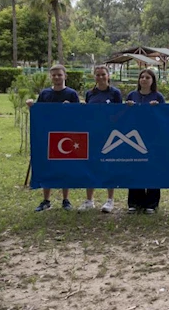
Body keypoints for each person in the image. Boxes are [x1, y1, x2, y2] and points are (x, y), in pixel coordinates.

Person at [27, 64, 80, 212]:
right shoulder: (44, 94)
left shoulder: (72, 94)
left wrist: (71, 109)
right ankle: (46, 200)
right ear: (50, 77)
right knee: (48, 166)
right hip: (48, 135)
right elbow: (39, 113)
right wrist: (31, 106)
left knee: (65, 166)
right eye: (54, 75)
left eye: (59, 74)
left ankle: (66, 200)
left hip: (66, 136)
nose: (57, 77)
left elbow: (79, 115)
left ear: (65, 76)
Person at [79, 65, 123, 213]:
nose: (101, 77)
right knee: (90, 165)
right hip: (93, 134)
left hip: (109, 135)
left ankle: (110, 200)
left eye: (103, 74)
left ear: (108, 75)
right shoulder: (90, 93)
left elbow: (120, 114)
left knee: (108, 165)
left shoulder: (115, 93)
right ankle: (89, 200)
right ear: (94, 77)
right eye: (98, 75)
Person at [125, 68, 166, 214]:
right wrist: (128, 107)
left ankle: (151, 204)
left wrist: (157, 108)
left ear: (153, 80)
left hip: (153, 138)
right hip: (134, 137)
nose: (144, 79)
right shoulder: (132, 95)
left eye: (147, 77)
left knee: (153, 168)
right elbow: (124, 116)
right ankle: (135, 202)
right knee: (135, 167)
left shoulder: (158, 96)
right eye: (142, 77)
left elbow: (164, 117)